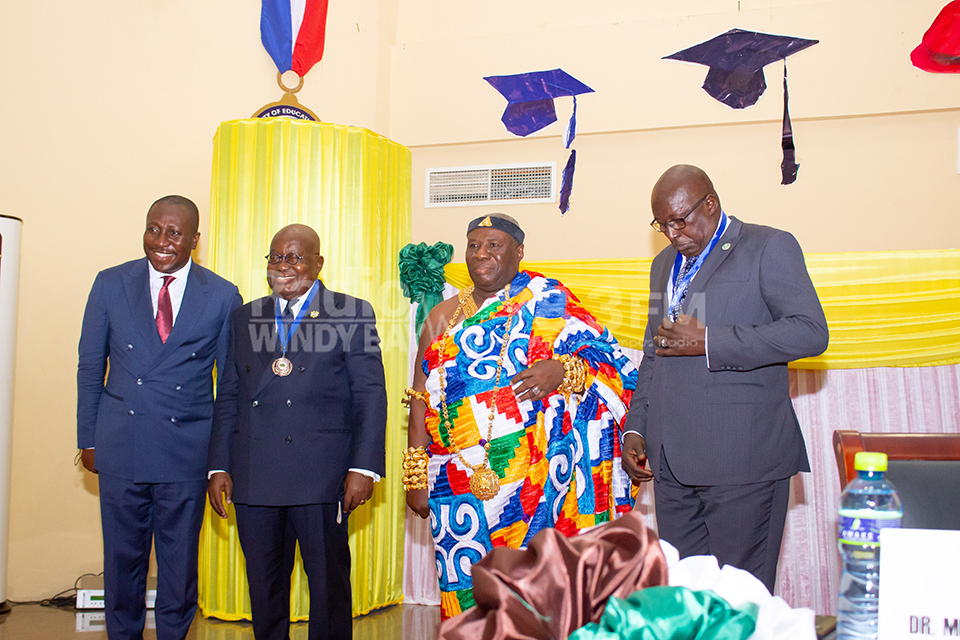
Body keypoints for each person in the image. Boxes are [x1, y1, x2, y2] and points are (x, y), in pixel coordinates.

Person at [404, 213, 638, 619]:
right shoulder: (441, 316)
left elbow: (612, 365)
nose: (482, 254)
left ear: (520, 252)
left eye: (495, 245)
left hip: (542, 482)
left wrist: (563, 370)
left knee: (538, 593)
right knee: (466, 595)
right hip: (456, 482)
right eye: (474, 245)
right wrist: (415, 474)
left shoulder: (548, 300)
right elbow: (419, 396)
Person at [622, 164, 829, 593]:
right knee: (686, 598)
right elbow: (653, 350)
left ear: (710, 204)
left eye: (681, 220)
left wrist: (712, 341)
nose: (674, 234)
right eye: (663, 226)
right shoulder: (664, 264)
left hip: (743, 459)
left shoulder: (767, 246)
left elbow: (811, 331)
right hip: (672, 463)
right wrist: (638, 426)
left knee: (739, 601)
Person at [207, 223, 387, 640]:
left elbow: (369, 394)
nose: (283, 266)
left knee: (328, 586)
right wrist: (217, 466)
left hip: (322, 476)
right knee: (264, 587)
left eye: (294, 257)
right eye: (275, 257)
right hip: (255, 473)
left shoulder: (351, 312)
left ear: (318, 263)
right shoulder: (243, 317)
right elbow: (228, 395)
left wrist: (364, 467)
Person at [77, 195, 243, 640]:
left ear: (194, 239)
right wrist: (88, 438)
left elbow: (228, 385)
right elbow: (91, 366)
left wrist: (220, 459)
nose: (162, 241)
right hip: (120, 445)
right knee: (122, 562)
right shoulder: (110, 283)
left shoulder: (223, 295)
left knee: (178, 566)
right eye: (154, 229)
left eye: (174, 233)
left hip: (186, 451)